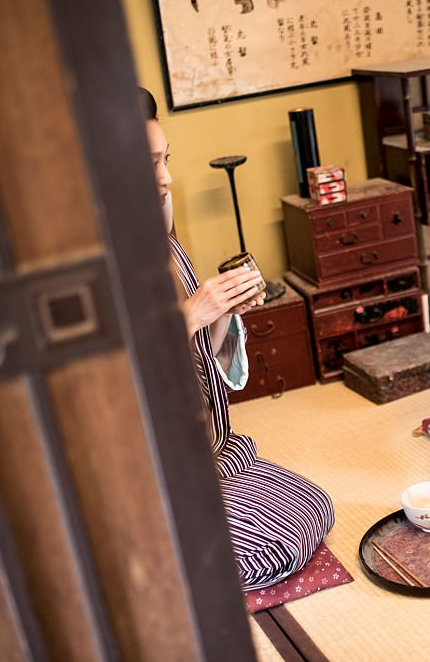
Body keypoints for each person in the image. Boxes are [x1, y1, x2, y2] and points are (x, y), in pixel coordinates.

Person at [140, 87, 334, 590]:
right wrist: (192, 312)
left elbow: (200, 349)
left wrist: (223, 310)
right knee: (263, 550)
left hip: (205, 445)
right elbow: (104, 370)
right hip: (146, 466)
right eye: (149, 165)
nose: (166, 178)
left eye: (165, 160)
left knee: (315, 507)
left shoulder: (157, 224)